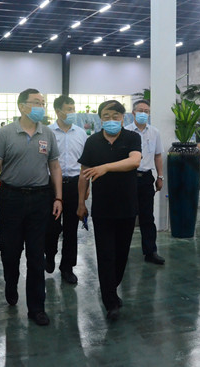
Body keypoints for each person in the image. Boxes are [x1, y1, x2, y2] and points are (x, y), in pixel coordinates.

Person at [0, 88, 62, 326]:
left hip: (40, 199)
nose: (41, 106)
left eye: (43, 102)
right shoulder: (6, 133)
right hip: (11, 198)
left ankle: (37, 307)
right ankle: (11, 283)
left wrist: (58, 198)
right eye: (36, 102)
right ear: (22, 106)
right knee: (10, 251)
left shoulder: (47, 133)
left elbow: (55, 167)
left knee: (36, 254)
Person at [77, 100, 141, 321]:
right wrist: (81, 203)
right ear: (100, 119)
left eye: (116, 116)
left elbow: (134, 161)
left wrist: (105, 167)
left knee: (121, 255)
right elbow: (84, 174)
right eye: (106, 116)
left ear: (123, 118)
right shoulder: (92, 141)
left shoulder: (132, 138)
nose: (111, 120)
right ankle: (110, 301)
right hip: (102, 209)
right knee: (105, 255)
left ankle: (111, 288)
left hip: (127, 207)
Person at [46, 95, 87, 284]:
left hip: (75, 184)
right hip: (51, 185)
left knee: (71, 228)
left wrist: (86, 187)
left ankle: (67, 267)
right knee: (51, 226)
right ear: (58, 111)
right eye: (68, 109)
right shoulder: (47, 132)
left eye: (73, 108)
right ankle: (49, 254)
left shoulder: (81, 133)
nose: (72, 112)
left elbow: (86, 163)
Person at [125, 99, 165, 265]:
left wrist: (160, 177)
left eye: (146, 111)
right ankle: (122, 250)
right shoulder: (125, 132)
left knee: (147, 216)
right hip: (128, 178)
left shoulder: (154, 132)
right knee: (127, 216)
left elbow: (158, 155)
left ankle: (150, 251)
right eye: (140, 110)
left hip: (147, 178)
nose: (143, 113)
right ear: (133, 113)